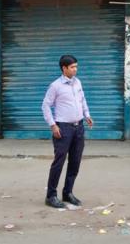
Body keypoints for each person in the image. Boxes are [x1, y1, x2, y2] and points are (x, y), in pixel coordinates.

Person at [42, 54, 93, 209]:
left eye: (76, 66)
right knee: (59, 162)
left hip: (78, 127)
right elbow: (45, 106)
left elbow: (82, 100)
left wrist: (87, 115)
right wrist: (53, 125)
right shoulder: (55, 86)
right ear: (64, 68)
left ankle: (67, 192)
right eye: (72, 67)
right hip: (63, 128)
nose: (75, 69)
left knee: (75, 162)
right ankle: (51, 195)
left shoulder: (77, 83)